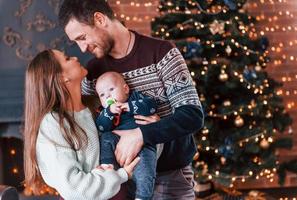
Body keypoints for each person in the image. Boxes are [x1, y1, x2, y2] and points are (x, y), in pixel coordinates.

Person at [58, 0, 204, 199]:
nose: (82, 48)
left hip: (168, 180)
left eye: (82, 37)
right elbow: (88, 128)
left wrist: (142, 134)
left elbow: (192, 116)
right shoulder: (91, 73)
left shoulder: (161, 53)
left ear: (99, 19)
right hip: (116, 184)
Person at [23, 49, 140, 200]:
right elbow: (74, 188)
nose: (75, 57)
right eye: (67, 58)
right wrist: (121, 175)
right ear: (61, 78)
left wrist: (145, 130)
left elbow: (136, 140)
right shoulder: (53, 123)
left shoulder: (99, 105)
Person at [95, 71, 160, 200]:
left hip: (143, 144)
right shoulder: (106, 112)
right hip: (117, 143)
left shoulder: (135, 98)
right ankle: (108, 165)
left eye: (111, 89)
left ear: (125, 89)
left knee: (146, 172)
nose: (108, 96)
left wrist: (128, 106)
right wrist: (109, 112)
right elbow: (101, 127)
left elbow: (151, 107)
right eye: (102, 95)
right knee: (106, 137)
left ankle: (143, 196)